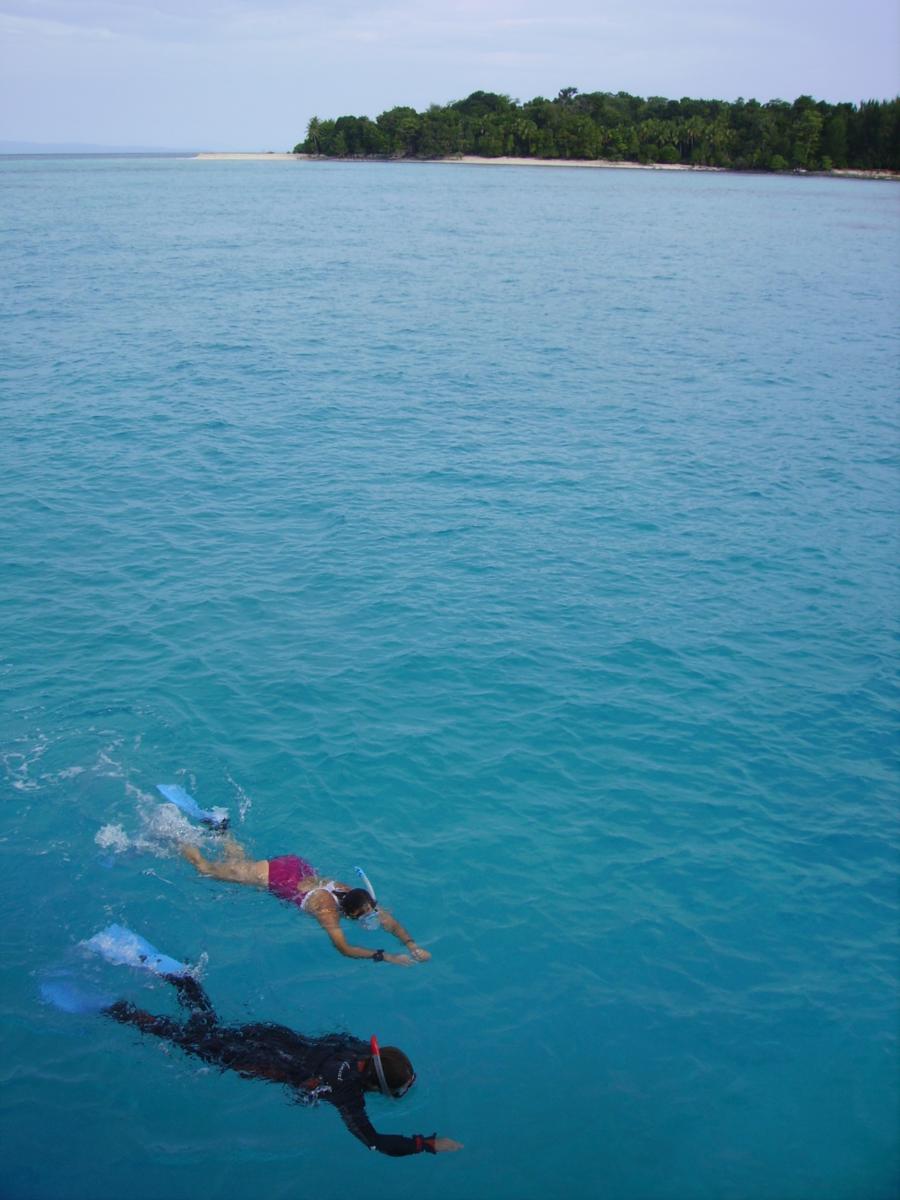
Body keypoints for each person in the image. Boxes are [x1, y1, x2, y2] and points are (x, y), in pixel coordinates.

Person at [104, 971, 462, 1157]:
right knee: (190, 1038)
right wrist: (425, 1144)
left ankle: (182, 979)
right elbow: (376, 1143)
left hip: (275, 1035)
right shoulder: (347, 1095)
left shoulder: (354, 1048)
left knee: (210, 1026)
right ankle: (121, 1011)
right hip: (258, 1062)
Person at [181, 837, 430, 966]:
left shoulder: (360, 899)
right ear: (351, 915)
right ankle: (176, 839)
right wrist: (386, 956)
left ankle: (221, 831)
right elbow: (345, 949)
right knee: (206, 869)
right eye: (366, 915)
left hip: (297, 866)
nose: (372, 916)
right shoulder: (328, 912)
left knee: (239, 865)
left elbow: (391, 923)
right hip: (279, 876)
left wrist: (411, 946)